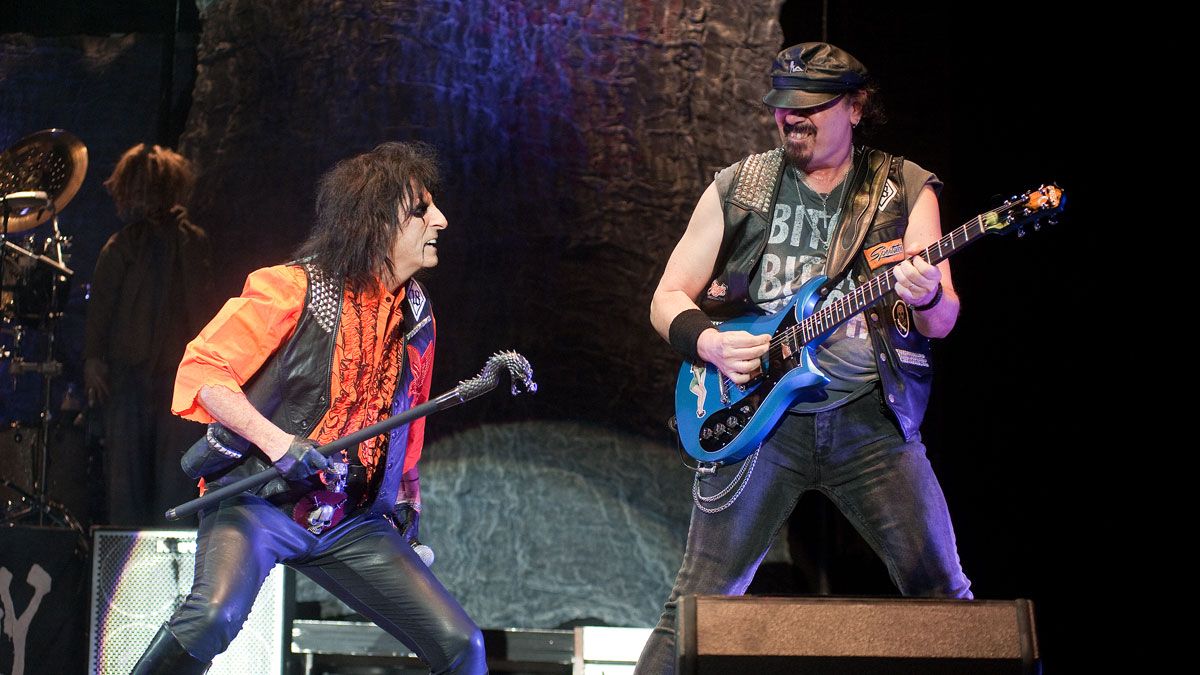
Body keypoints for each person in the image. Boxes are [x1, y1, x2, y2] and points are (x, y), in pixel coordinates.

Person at [635, 42, 973, 674]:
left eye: (809, 109)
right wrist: (708, 341)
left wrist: (926, 293)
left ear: (856, 106)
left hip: (869, 423)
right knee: (697, 604)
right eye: (783, 109)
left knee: (945, 599)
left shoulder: (902, 187)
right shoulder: (741, 186)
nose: (792, 121)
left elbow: (942, 318)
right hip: (760, 424)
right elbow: (666, 297)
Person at [132, 141, 486, 674]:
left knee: (463, 645)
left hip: (353, 519)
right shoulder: (291, 288)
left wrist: (408, 493)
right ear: (378, 221)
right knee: (210, 617)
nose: (440, 219)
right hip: (260, 502)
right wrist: (278, 443)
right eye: (422, 210)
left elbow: (408, 416)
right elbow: (202, 373)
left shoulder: (417, 313)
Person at [84, 143, 213, 526]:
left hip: (178, 378)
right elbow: (102, 307)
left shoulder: (190, 241)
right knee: (127, 479)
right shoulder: (124, 245)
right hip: (130, 377)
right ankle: (128, 554)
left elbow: (205, 304)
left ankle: (168, 556)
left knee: (174, 476)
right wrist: (93, 358)